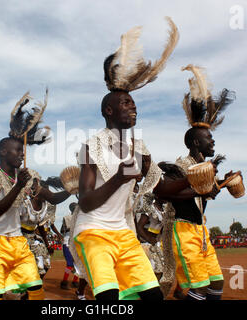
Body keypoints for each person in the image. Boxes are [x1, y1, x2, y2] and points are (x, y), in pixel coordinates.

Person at [71, 18, 197, 301]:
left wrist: (193, 182)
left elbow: (160, 188)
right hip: (93, 233)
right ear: (108, 111)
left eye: (133, 102)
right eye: (125, 103)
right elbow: (85, 200)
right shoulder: (91, 146)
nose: (133, 106)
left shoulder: (140, 148)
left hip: (124, 234)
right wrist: (120, 177)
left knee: (152, 296)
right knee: (109, 298)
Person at [162, 65, 237, 300]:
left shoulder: (207, 169)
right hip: (182, 228)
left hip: (201, 230)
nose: (212, 142)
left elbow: (206, 194)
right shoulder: (181, 164)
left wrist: (224, 182)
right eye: (208, 139)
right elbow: (171, 196)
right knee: (199, 287)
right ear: (195, 143)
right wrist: (203, 192)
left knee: (217, 281)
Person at [0, 90, 51, 300]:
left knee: (36, 288)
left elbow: (44, 198)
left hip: (17, 240)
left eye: (23, 150)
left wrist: (58, 190)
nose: (22, 153)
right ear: (2, 152)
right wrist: (19, 186)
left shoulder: (25, 176)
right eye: (17, 150)